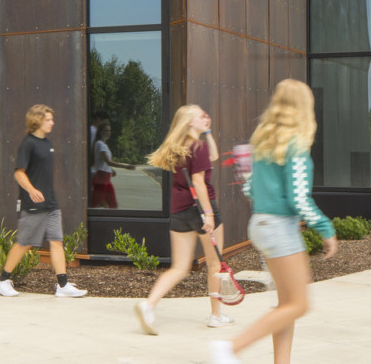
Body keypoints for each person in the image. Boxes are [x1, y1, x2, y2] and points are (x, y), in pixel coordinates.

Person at [209, 79, 337, 364]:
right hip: (281, 228)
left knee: (286, 305)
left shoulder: (264, 145)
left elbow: (249, 189)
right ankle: (230, 349)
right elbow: (300, 199)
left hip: (261, 225)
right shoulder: (297, 147)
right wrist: (326, 229)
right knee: (299, 304)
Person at [136, 103, 229, 335]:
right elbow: (199, 181)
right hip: (202, 210)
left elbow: (213, 156)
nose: (205, 117)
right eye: (201, 116)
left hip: (178, 211)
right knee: (215, 264)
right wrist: (208, 214)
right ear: (190, 122)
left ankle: (149, 304)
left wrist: (207, 132)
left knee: (179, 267)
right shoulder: (197, 147)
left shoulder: (180, 146)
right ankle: (216, 316)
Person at [0, 104, 87, 298]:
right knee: (25, 243)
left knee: (56, 242)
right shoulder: (28, 144)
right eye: (48, 119)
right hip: (33, 204)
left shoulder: (48, 143)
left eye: (52, 119)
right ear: (37, 120)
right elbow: (19, 173)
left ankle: (62, 285)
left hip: (51, 203)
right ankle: (2, 280)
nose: (52, 123)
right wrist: (32, 190)